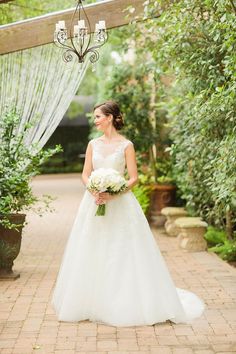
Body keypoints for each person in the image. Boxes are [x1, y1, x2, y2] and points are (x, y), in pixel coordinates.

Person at [51, 100, 205, 326]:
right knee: (92, 247)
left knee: (122, 249)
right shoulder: (93, 144)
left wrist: (114, 192)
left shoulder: (126, 145)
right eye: (94, 117)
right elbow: (85, 174)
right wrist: (94, 188)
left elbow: (133, 178)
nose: (95, 121)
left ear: (110, 118)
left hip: (120, 202)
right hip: (94, 201)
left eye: (98, 117)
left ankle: (125, 301)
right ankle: (91, 300)